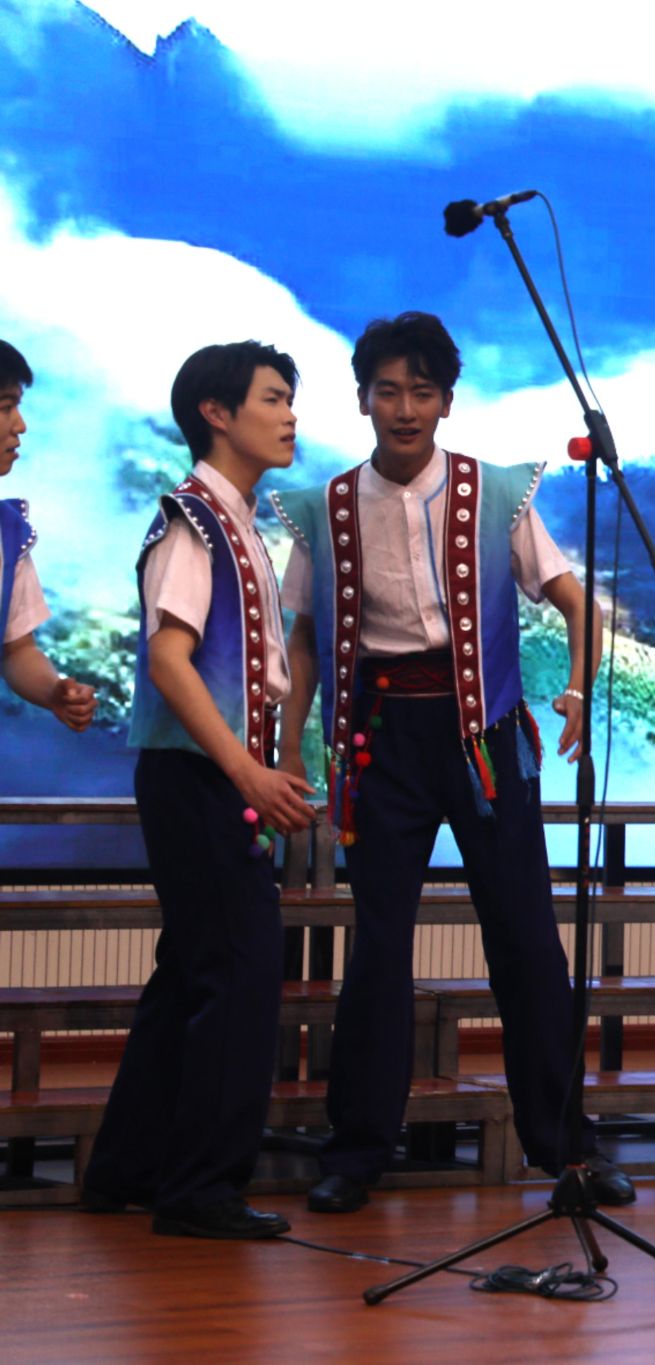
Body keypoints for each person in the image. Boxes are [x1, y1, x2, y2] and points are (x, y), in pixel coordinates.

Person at [271, 311, 631, 1213]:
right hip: (379, 737)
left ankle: (568, 1150)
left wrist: (577, 689)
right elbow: (307, 635)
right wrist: (289, 740)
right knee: (379, 945)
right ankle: (358, 1150)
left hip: (485, 739)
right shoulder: (327, 507)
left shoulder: (494, 493)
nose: (405, 408)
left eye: (422, 391)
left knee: (527, 940)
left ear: (446, 401)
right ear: (362, 399)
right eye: (388, 391)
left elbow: (575, 601)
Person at [82, 341, 315, 1237]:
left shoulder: (238, 521)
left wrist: (272, 755)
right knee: (241, 973)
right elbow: (169, 660)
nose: (289, 415)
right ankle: (200, 1188)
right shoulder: (192, 521)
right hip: (197, 775)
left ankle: (129, 1167)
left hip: (208, 774)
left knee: (191, 972)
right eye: (272, 398)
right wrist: (247, 768)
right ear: (217, 413)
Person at [0, 340, 97, 730]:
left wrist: (53, 691)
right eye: (5, 407)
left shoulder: (8, 533)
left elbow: (16, 648)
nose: (20, 425)